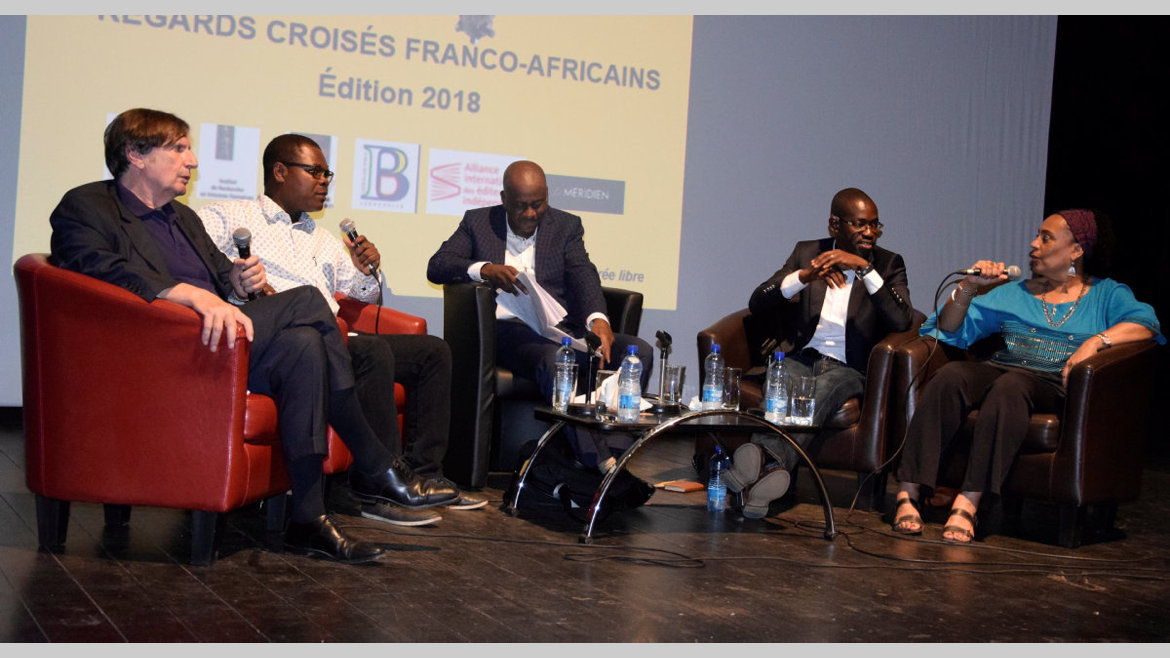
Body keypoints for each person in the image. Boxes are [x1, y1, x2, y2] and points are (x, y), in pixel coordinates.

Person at [49, 108, 457, 564]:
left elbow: (221, 275)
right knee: (308, 301)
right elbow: (91, 264)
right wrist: (183, 293)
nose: (193, 161)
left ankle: (308, 520)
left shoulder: (181, 218)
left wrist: (238, 282)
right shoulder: (88, 205)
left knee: (304, 346)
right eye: (179, 149)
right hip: (164, 347)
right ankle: (377, 464)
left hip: (218, 343)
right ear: (135, 154)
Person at [197, 134, 486, 525]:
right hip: (288, 342)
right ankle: (376, 487)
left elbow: (360, 293)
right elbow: (200, 266)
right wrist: (238, 282)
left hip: (337, 334)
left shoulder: (325, 240)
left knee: (432, 352)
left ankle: (421, 474)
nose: (324, 182)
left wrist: (365, 269)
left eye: (327, 174)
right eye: (315, 172)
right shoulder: (228, 216)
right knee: (370, 351)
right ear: (279, 171)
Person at [891, 209, 1163, 543]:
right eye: (1036, 235)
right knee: (951, 376)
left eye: (1045, 238)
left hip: (1051, 381)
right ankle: (908, 492)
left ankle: (969, 501)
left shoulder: (1107, 294)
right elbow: (947, 327)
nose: (1034, 244)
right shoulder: (1016, 292)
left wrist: (1095, 341)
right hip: (1002, 366)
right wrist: (969, 287)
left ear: (1076, 250)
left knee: (1011, 386)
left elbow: (1146, 324)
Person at [426, 160, 653, 472]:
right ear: (504, 199)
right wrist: (485, 269)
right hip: (508, 332)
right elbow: (438, 265)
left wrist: (598, 319)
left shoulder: (566, 226)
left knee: (639, 352)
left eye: (539, 204)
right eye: (522, 206)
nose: (531, 213)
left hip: (559, 328)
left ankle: (615, 453)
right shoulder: (478, 222)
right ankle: (597, 461)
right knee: (557, 360)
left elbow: (583, 275)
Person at [730, 187, 913, 518]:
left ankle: (759, 462)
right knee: (781, 385)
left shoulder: (888, 264)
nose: (869, 232)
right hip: (801, 356)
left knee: (817, 392)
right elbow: (758, 300)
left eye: (874, 224)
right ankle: (766, 477)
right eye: (859, 224)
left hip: (849, 367)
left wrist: (864, 269)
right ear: (835, 224)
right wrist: (803, 276)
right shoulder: (807, 252)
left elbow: (901, 319)